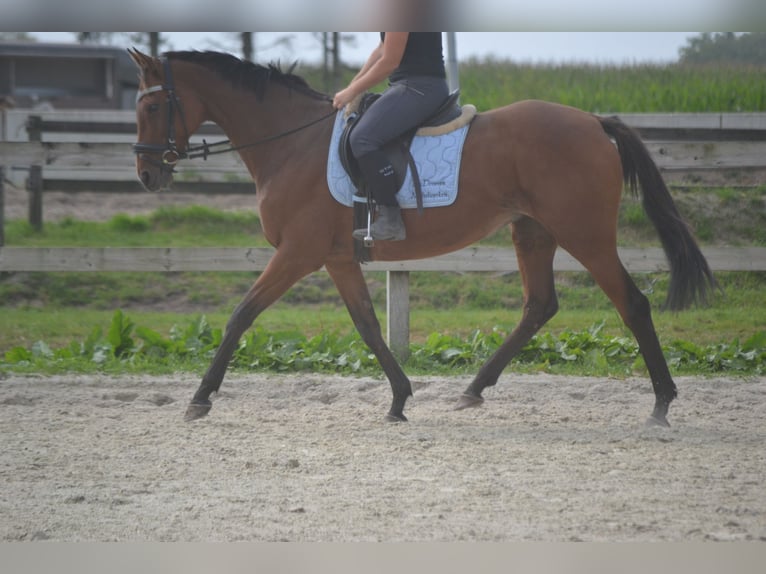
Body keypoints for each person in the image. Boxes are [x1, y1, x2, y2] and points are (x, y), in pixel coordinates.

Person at [333, 32, 449, 241]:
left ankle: (390, 218)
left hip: (418, 88)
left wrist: (352, 91)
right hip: (411, 86)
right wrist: (353, 86)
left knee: (362, 138)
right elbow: (381, 48)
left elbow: (389, 61)